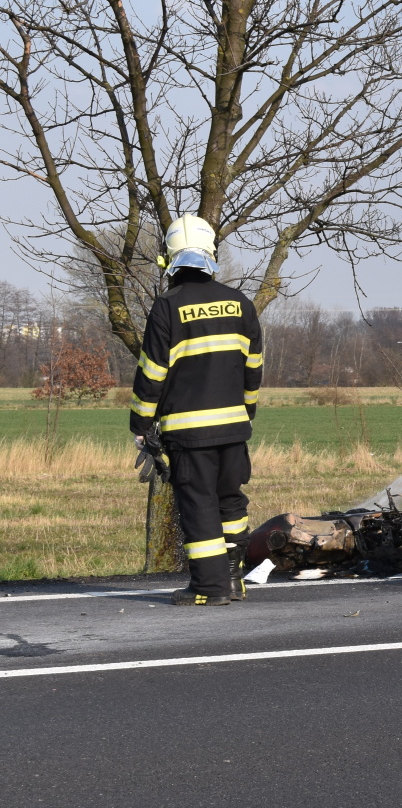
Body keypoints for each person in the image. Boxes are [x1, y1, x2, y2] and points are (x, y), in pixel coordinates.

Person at [130, 214, 263, 605]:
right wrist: (245, 414)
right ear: (211, 253)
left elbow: (152, 373)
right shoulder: (241, 303)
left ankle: (209, 588)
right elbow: (252, 370)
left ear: (168, 259)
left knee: (199, 503)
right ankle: (234, 581)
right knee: (230, 501)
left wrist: (141, 423)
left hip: (189, 433)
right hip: (234, 428)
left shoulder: (167, 306)